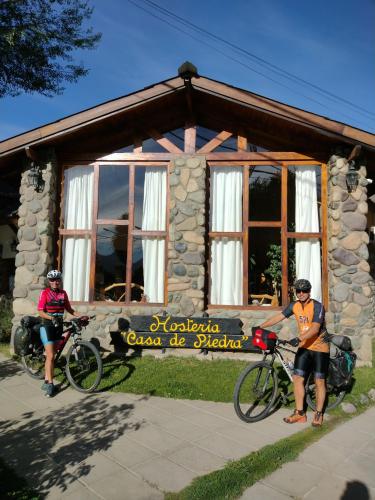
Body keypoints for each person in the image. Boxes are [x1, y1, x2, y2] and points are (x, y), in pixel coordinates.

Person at [259, 278, 329, 427]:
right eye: (298, 291)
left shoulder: (318, 306)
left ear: (309, 291)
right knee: (297, 378)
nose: (301, 293)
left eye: (304, 290)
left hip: (320, 347)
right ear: (296, 292)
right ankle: (300, 414)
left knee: (319, 381)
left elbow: (315, 329)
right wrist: (260, 326)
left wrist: (298, 338)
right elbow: (279, 316)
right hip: (304, 346)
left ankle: (318, 413)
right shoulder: (294, 306)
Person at [37, 270, 81, 397]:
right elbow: (40, 311)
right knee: (50, 356)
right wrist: (51, 318)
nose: (55, 282)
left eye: (57, 280)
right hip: (47, 326)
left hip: (58, 326)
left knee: (53, 355)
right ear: (49, 281)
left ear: (60, 281)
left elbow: (70, 309)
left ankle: (46, 379)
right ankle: (50, 384)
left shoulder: (63, 294)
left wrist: (82, 315)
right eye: (52, 280)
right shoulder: (45, 293)